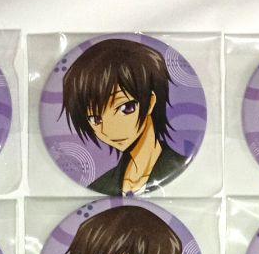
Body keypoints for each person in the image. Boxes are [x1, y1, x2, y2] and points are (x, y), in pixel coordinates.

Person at [61, 38, 187, 196]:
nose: (109, 131)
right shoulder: (102, 184)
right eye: (95, 119)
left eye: (126, 108)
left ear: (150, 102)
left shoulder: (181, 169)